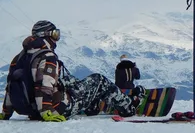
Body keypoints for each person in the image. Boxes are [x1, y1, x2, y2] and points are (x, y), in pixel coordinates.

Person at [0, 20, 143, 122]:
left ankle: (91, 105)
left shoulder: (18, 58)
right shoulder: (47, 56)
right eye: (55, 34)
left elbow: (11, 86)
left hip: (32, 110)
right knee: (99, 80)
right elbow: (44, 85)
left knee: (70, 80)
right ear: (46, 35)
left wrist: (6, 113)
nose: (57, 39)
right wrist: (46, 112)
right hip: (55, 108)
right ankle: (128, 107)